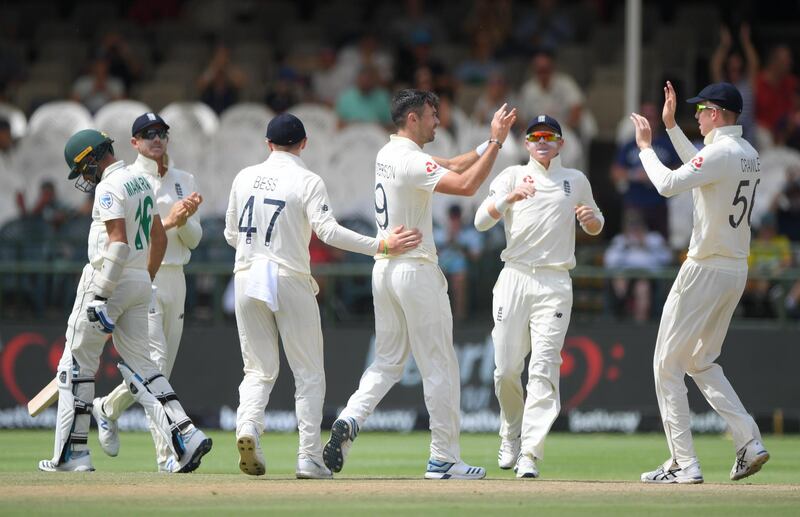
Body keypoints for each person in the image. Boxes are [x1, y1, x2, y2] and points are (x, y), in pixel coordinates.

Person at [323, 89, 517, 480]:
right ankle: (443, 458)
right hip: (415, 269)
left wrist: (491, 139)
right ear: (412, 119)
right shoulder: (411, 162)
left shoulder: (388, 154)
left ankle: (349, 418)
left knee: (388, 362)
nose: (437, 121)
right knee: (440, 365)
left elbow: (452, 162)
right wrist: (496, 142)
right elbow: (465, 185)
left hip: (385, 271)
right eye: (432, 115)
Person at [224, 113, 422, 479]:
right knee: (309, 373)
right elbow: (328, 232)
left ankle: (248, 427)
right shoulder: (307, 179)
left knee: (258, 370)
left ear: (268, 144)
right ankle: (308, 457)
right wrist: (381, 244)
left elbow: (231, 235)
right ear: (304, 143)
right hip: (289, 277)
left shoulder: (243, 176)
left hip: (247, 276)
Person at [38, 129, 211, 473]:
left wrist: (101, 294)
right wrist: (143, 281)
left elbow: (117, 244)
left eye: (83, 168)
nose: (85, 177)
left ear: (92, 159)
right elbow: (159, 237)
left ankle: (72, 455)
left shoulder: (108, 186)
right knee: (145, 368)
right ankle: (185, 435)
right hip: (138, 279)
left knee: (75, 366)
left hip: (107, 278)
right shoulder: (142, 181)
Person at [630, 81, 769, 484]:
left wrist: (645, 147)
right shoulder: (748, 154)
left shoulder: (723, 153)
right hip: (735, 270)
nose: (696, 116)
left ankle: (683, 463)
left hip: (705, 268)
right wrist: (671, 128)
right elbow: (705, 169)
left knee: (666, 365)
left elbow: (669, 184)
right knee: (700, 361)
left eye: (700, 109)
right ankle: (748, 440)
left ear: (718, 113)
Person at [473, 114, 603, 478]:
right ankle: (511, 432)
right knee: (506, 370)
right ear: (527, 144)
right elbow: (480, 221)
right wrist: (509, 198)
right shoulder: (513, 175)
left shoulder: (574, 180)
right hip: (514, 276)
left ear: (561, 143)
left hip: (555, 282)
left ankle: (530, 452)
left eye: (549, 136)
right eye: (535, 136)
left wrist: (591, 222)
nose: (542, 141)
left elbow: (596, 223)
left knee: (544, 368)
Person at [90, 113, 204, 472]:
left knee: (160, 369)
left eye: (162, 134)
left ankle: (108, 407)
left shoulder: (183, 180)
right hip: (143, 277)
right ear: (135, 142)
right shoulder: (130, 180)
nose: (157, 139)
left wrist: (182, 222)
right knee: (155, 364)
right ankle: (169, 455)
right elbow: (134, 236)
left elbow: (195, 239)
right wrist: (169, 220)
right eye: (147, 134)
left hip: (176, 276)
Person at [603, 210, 672, 322]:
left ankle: (640, 323)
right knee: (619, 282)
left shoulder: (654, 239)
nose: (635, 229)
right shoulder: (620, 240)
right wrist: (625, 247)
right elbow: (609, 261)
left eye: (637, 225)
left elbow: (667, 258)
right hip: (626, 275)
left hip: (648, 277)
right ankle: (618, 316)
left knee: (642, 288)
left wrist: (646, 245)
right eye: (632, 226)